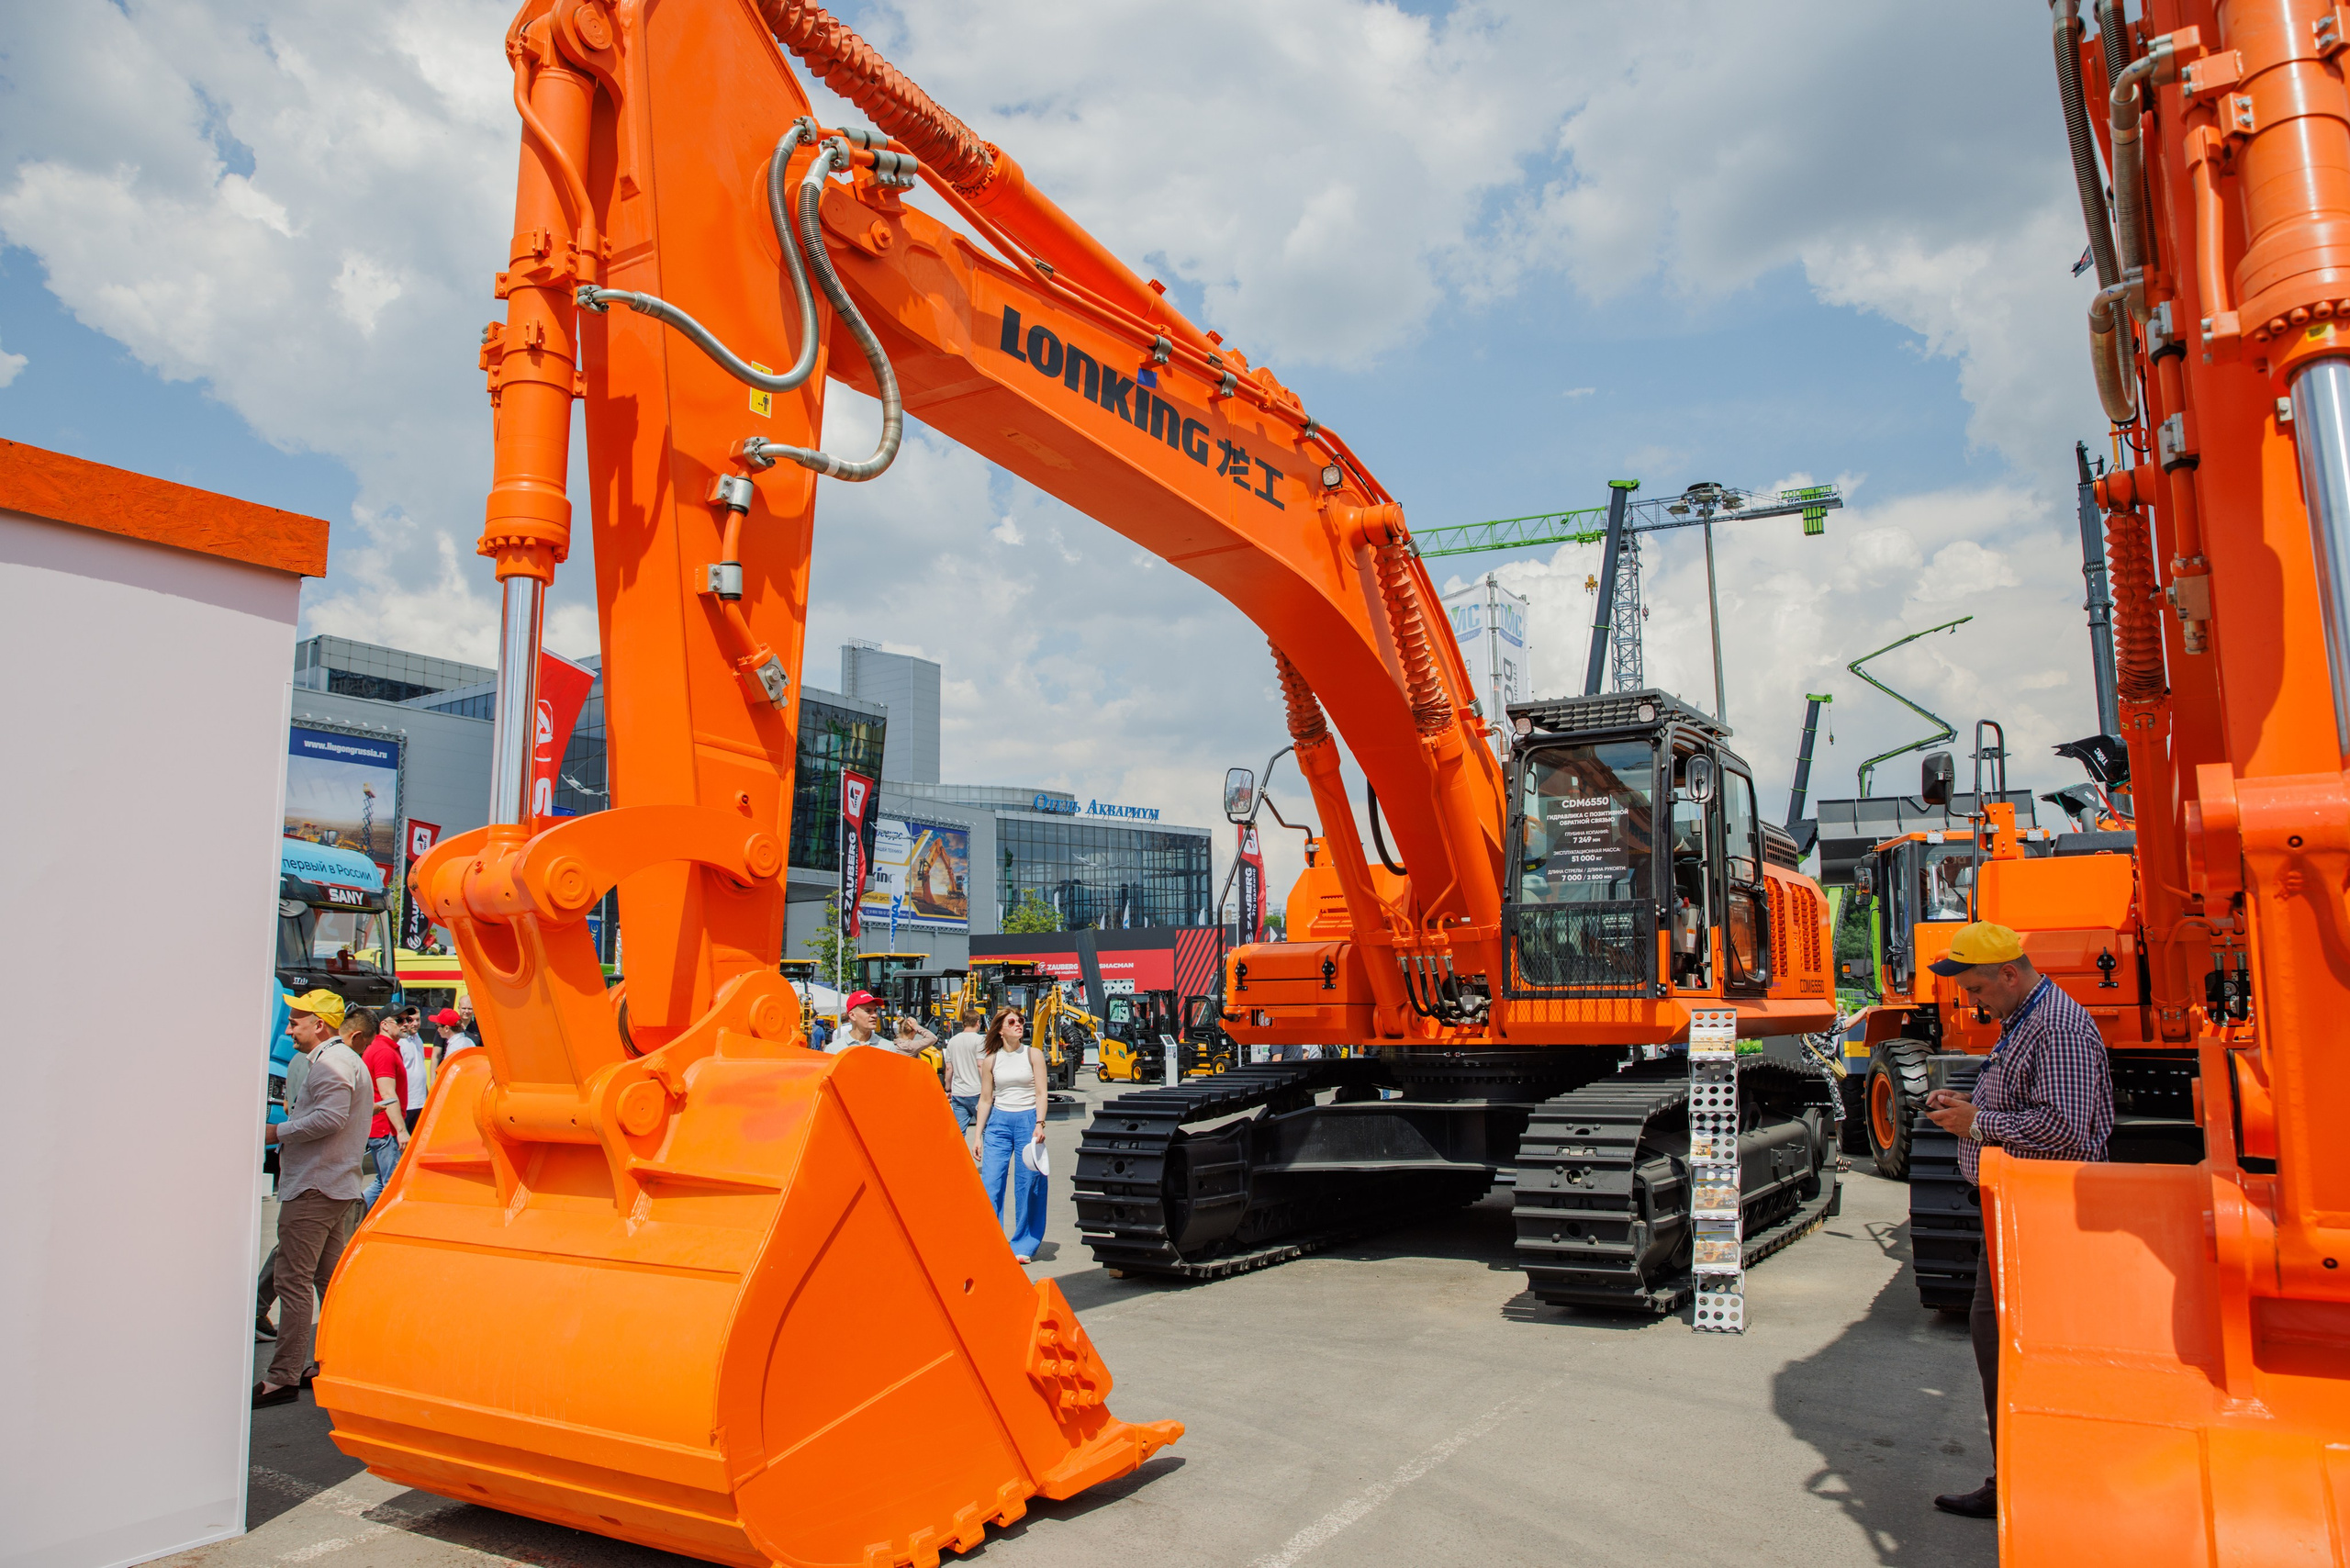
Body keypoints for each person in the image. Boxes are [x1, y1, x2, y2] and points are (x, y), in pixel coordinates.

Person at [1921, 923, 2112, 1520]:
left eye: (1978, 989)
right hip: (2015, 1209)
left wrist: (1977, 1124)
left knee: (2018, 1350)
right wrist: (1969, 1110)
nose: (1974, 1003)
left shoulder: (2056, 1028)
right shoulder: (2026, 1020)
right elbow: (2029, 1109)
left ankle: (2037, 1483)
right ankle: (2022, 1475)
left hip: (2045, 1215)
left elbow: (2065, 1132)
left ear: (2010, 973)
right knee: (1997, 1343)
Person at [256, 991, 369, 1406]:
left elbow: (330, 1118)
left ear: (319, 1024)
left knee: (293, 1280)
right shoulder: (344, 1060)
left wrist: (277, 1132)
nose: (289, 1030)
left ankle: (283, 1375)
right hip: (333, 1185)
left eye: (295, 1021)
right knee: (326, 1281)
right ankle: (331, 1362)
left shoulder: (332, 1064)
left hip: (315, 1187)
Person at [968, 1007, 1048, 1262]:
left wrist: (1040, 1123)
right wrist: (978, 1135)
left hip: (1027, 1121)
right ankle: (992, 1243)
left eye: (1021, 1021)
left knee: (1028, 1185)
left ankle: (1023, 1245)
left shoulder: (1033, 1054)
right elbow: (985, 1099)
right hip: (999, 1123)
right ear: (1000, 1029)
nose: (1018, 1024)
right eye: (1012, 1021)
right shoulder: (991, 1060)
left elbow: (1041, 1093)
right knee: (991, 1183)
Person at [357, 1009, 410, 1212]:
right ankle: (360, 1223)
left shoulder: (385, 1048)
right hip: (384, 1128)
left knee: (383, 1183)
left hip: (382, 1127)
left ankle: (353, 1221)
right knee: (391, 1185)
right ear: (384, 1025)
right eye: (399, 1020)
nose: (405, 1023)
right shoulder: (383, 1051)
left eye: (407, 1019)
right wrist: (401, 1130)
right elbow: (387, 1093)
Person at [943, 1011, 985, 1130]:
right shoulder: (980, 1040)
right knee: (986, 1128)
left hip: (959, 1092)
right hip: (977, 1091)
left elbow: (949, 1068)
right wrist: (988, 1089)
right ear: (978, 1023)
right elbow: (980, 1065)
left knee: (959, 1131)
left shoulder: (953, 1041)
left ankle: (955, 1150)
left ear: (963, 1023)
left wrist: (948, 1088)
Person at [396, 1005, 431, 1120]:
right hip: (406, 1102)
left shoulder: (418, 1039)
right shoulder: (400, 1042)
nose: (415, 1024)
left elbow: (420, 1069)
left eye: (418, 1020)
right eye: (411, 1020)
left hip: (420, 1102)